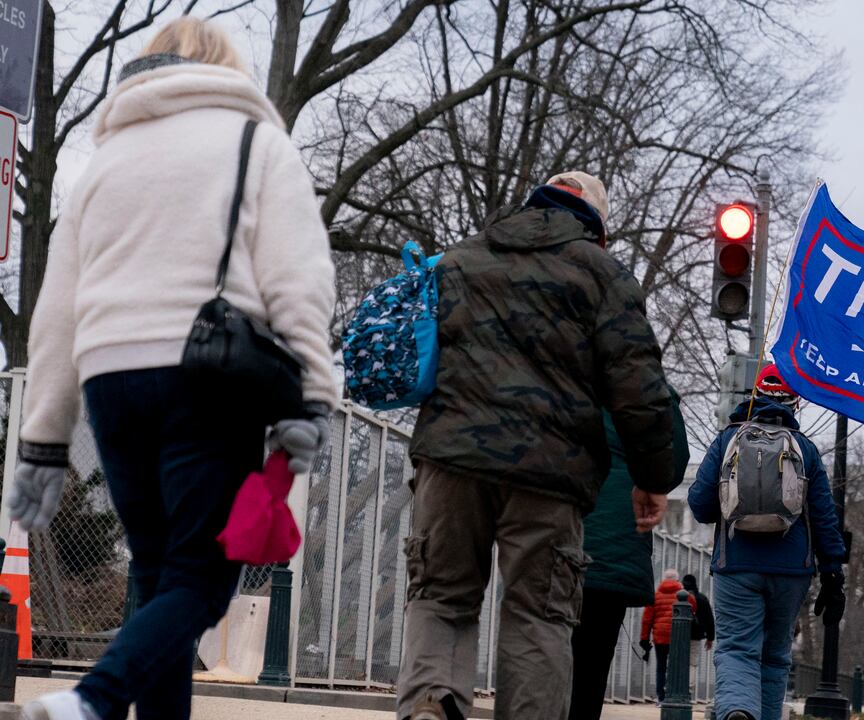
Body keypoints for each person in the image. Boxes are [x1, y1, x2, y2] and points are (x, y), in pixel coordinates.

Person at [10, 18, 337, 720]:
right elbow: (300, 280)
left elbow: (57, 310)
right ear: (226, 69)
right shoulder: (256, 143)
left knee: (161, 577)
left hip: (110, 379)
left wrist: (43, 439)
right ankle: (93, 700)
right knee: (201, 580)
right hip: (209, 376)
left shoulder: (105, 163)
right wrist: (313, 393)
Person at [398, 171, 675, 720]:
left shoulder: (458, 260)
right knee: (538, 614)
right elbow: (639, 392)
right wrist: (652, 478)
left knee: (441, 596)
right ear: (597, 230)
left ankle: (432, 703)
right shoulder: (603, 275)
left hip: (450, 459)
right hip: (550, 472)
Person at [686, 363, 847, 720]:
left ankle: (738, 710)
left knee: (737, 648)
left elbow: (699, 505)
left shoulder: (729, 439)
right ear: (795, 403)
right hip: (792, 570)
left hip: (737, 564)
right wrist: (833, 573)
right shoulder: (804, 449)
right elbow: (824, 517)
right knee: (775, 657)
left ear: (754, 395)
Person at [568, 388, 690, 720]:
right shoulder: (649, 387)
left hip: (557, 534)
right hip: (616, 545)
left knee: (538, 650)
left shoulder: (563, 364)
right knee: (591, 664)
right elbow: (673, 463)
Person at [640, 569, 698, 703]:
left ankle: (661, 697)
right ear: (677, 580)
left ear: (664, 579)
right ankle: (673, 694)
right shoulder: (685, 595)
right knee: (675, 666)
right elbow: (693, 608)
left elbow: (647, 619)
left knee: (661, 666)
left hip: (659, 637)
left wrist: (644, 638)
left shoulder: (656, 595)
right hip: (677, 636)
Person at [682, 574, 715, 679]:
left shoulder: (679, 598)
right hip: (696, 635)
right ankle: (689, 689)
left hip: (679, 635)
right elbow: (710, 619)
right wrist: (710, 638)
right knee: (692, 661)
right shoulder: (702, 598)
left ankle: (675, 687)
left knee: (678, 660)